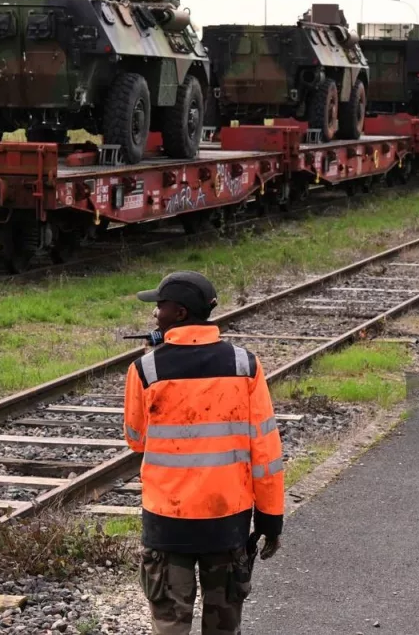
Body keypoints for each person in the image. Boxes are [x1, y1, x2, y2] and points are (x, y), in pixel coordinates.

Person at [123, 271, 285, 635]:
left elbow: (136, 439)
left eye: (160, 307)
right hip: (227, 520)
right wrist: (271, 517)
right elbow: (265, 449)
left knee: (170, 624)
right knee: (224, 626)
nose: (155, 315)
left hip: (167, 521)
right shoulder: (245, 366)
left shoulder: (146, 370)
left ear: (179, 314)